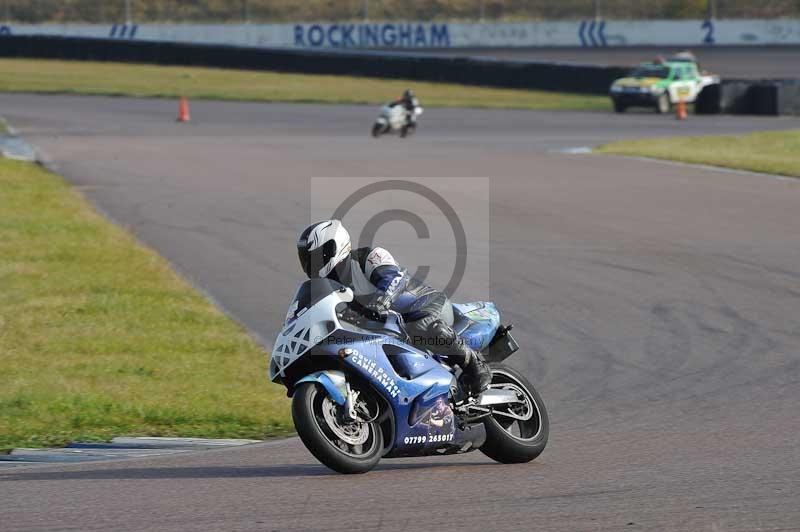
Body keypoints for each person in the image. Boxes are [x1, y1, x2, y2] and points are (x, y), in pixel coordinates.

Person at [296, 219, 492, 396]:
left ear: (333, 248)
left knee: (422, 325)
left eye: (315, 257)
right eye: (307, 259)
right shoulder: (329, 289)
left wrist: (382, 301)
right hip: (391, 329)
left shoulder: (369, 257)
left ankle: (475, 365)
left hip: (424, 305)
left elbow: (395, 279)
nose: (311, 264)